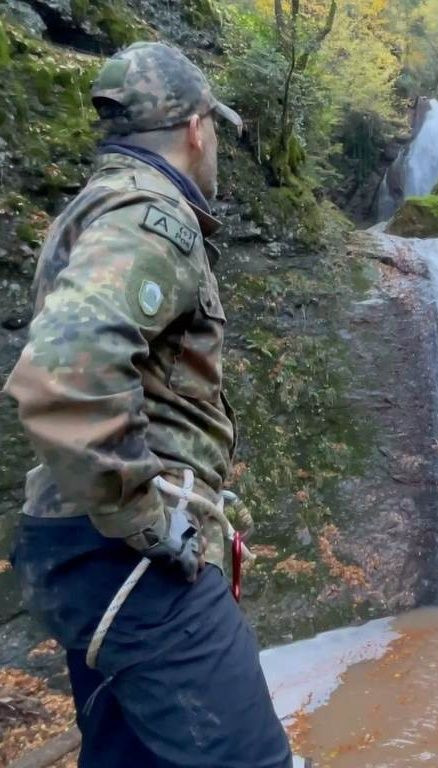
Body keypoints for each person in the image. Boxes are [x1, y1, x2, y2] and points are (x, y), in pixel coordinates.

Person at [3, 42, 295, 768]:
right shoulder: (148, 214)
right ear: (196, 128)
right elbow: (63, 375)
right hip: (133, 560)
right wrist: (149, 518)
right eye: (216, 128)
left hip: (85, 547)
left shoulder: (96, 209)